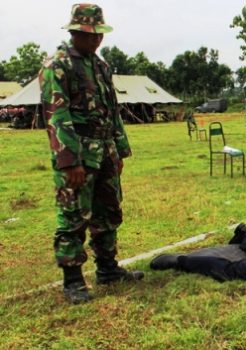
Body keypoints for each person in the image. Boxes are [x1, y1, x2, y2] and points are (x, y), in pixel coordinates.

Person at [39, 4, 143, 304]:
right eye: (89, 34)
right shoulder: (57, 65)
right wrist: (70, 160)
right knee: (74, 216)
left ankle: (108, 270)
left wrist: (119, 150)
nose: (96, 40)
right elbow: (56, 115)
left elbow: (113, 111)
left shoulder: (101, 66)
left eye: (99, 34)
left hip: (105, 151)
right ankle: (73, 280)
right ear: (74, 32)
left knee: (108, 211)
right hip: (78, 153)